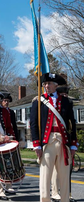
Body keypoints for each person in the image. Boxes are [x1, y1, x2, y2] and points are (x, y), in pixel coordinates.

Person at [30, 73, 77, 202]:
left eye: (49, 83)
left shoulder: (66, 101)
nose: (46, 86)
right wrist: (36, 144)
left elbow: (72, 123)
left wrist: (73, 144)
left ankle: (65, 200)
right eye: (45, 84)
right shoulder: (38, 101)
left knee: (64, 177)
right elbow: (33, 124)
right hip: (47, 143)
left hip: (63, 143)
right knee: (45, 177)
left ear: (56, 85)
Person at [51, 85, 77, 202]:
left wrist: (73, 143)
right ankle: (55, 193)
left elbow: (73, 125)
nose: (65, 96)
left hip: (67, 141)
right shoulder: (55, 107)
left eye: (66, 94)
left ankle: (68, 194)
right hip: (55, 139)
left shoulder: (68, 105)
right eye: (62, 94)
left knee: (67, 170)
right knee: (56, 170)